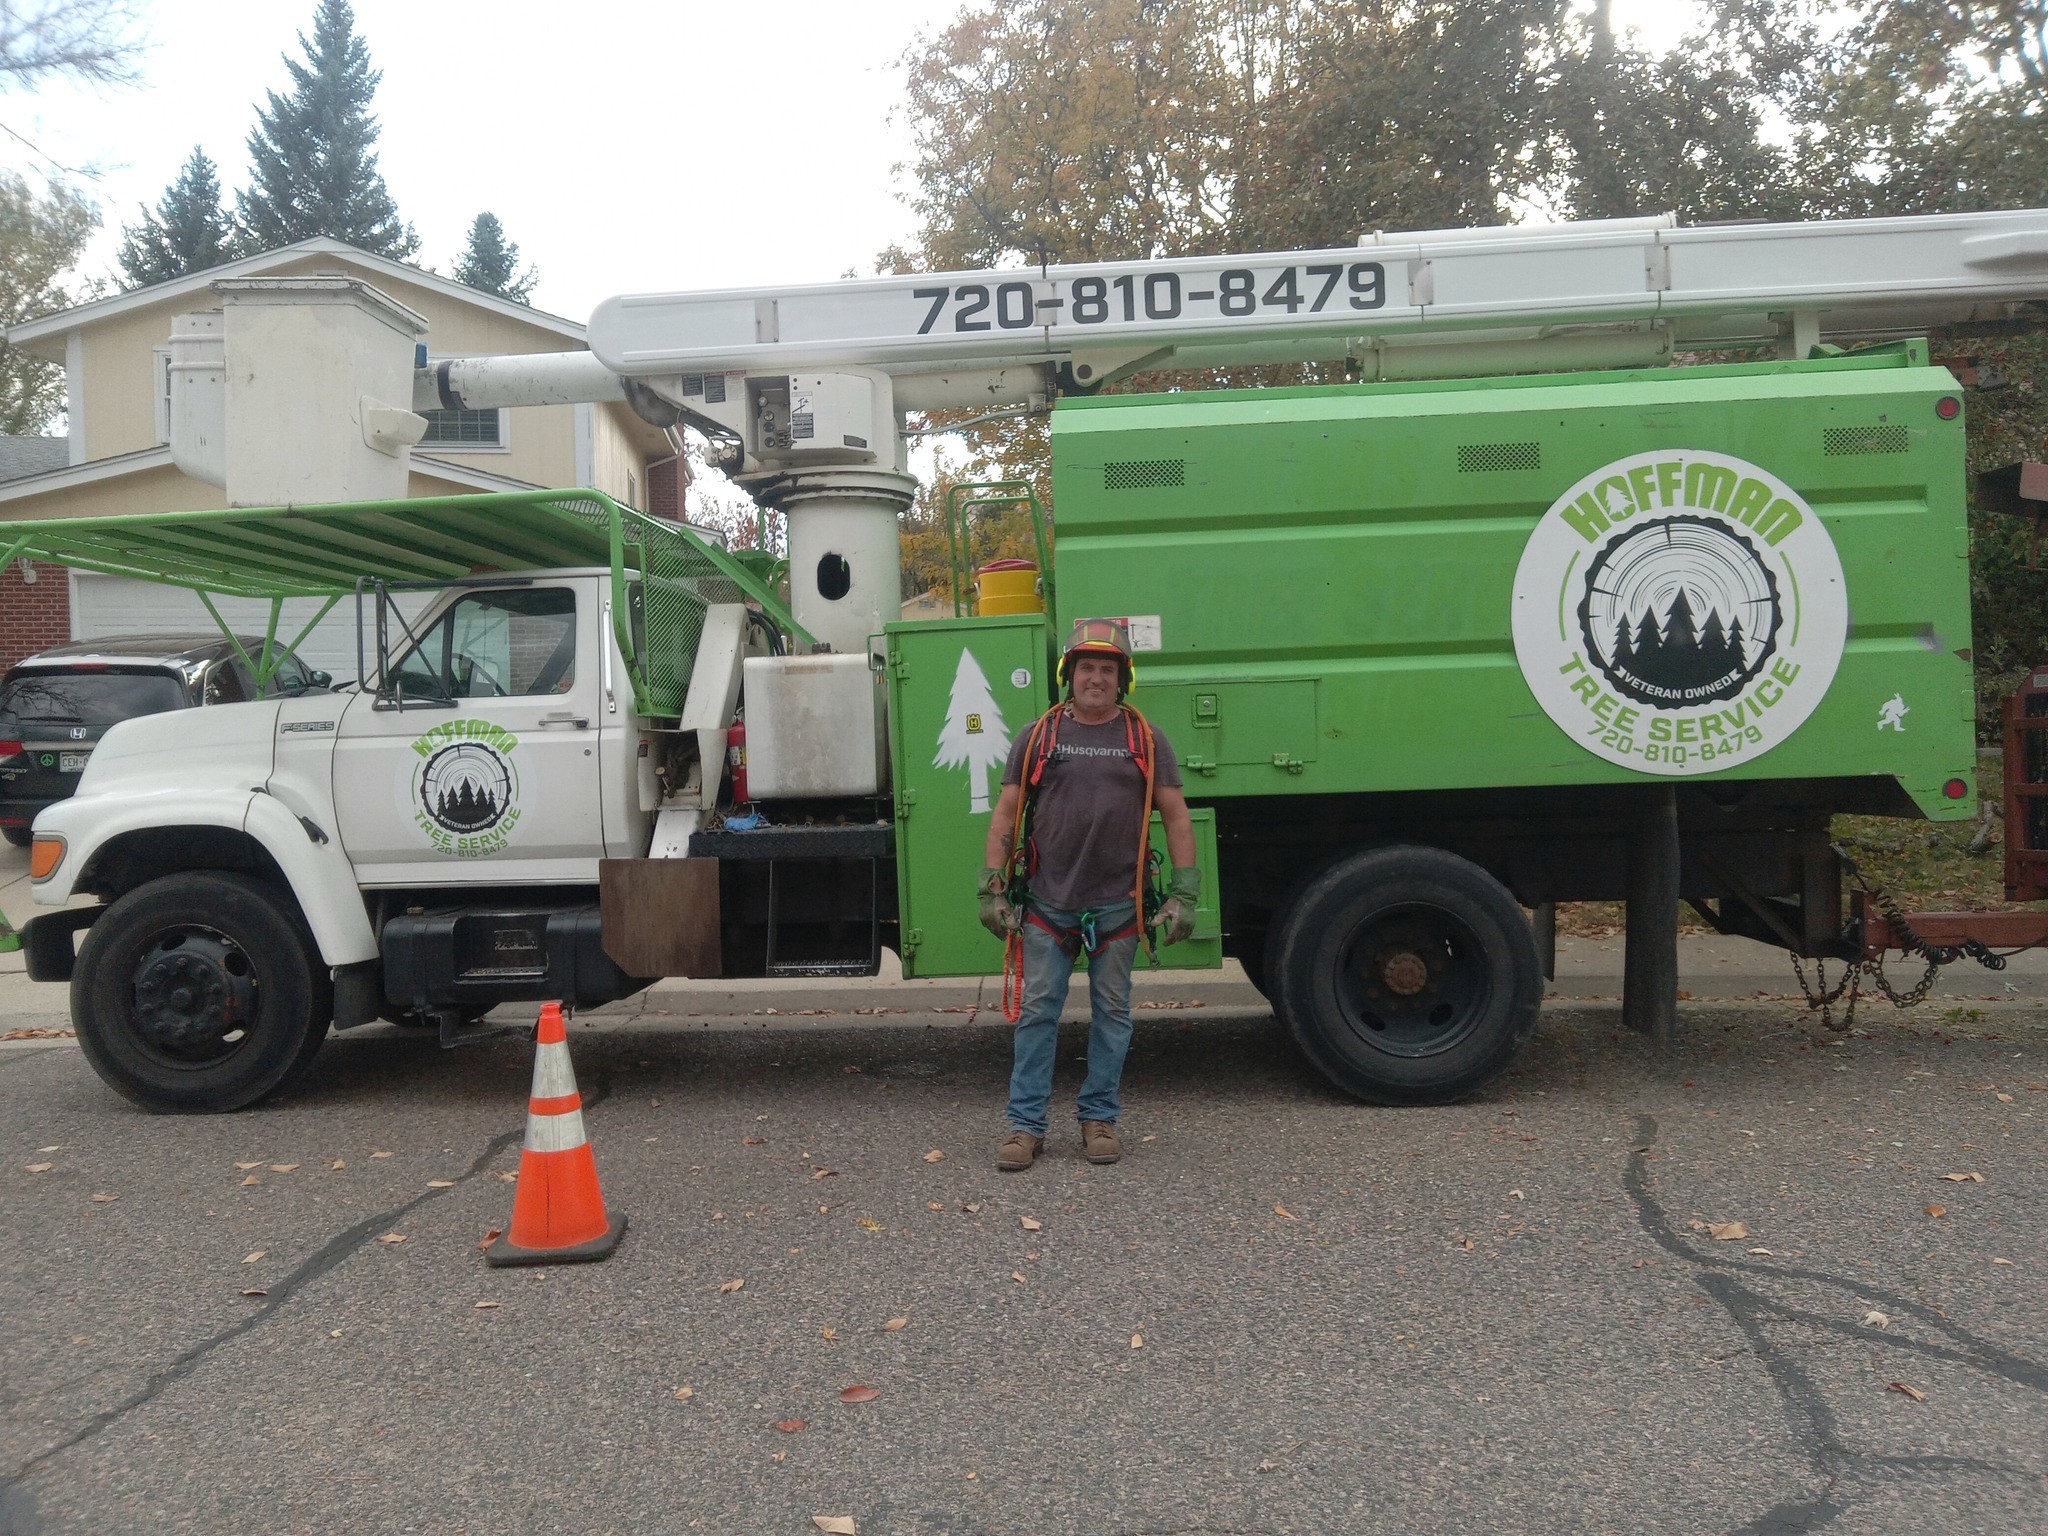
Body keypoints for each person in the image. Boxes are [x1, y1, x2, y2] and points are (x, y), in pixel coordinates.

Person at [978, 618, 1199, 1171]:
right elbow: (1006, 812)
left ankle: (1099, 1118)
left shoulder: (1144, 739)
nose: (1096, 678)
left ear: (1123, 679)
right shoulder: (1039, 736)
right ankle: (1025, 1127)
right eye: (1086, 668)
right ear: (1068, 675)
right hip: (1049, 903)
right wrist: (991, 886)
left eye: (1107, 669)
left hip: (1118, 905)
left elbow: (1175, 815)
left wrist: (1185, 893)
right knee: (1037, 1014)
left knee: (1112, 1013)